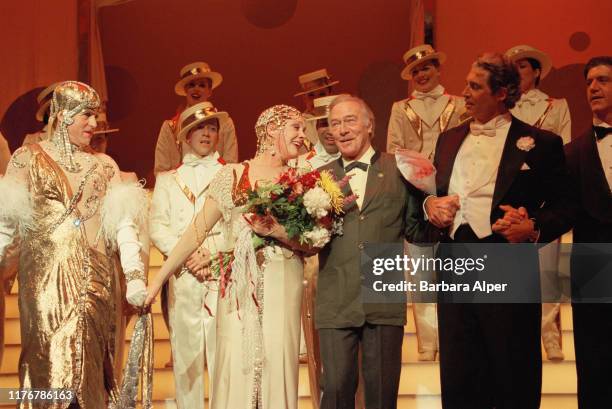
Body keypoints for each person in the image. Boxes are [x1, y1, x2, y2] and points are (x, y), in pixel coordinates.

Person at [422, 53, 574, 409]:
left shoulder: (541, 143)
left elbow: (567, 206)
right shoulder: (447, 139)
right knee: (460, 371)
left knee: (511, 369)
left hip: (506, 262)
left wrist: (533, 227)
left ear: (503, 92)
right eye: (466, 85)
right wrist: (431, 208)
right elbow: (428, 196)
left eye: (475, 87)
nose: (466, 93)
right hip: (455, 262)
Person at [145, 104, 313, 409]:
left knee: (278, 359)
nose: (303, 136)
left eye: (303, 129)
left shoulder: (302, 180)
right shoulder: (235, 174)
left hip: (284, 281)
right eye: (296, 128)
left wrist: (277, 231)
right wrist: (157, 281)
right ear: (271, 130)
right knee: (238, 360)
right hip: (239, 285)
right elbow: (195, 232)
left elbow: (311, 243)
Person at [0, 81, 149, 408]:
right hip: (44, 283)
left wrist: (135, 274)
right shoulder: (27, 159)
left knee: (91, 365)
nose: (95, 125)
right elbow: (7, 223)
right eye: (87, 116)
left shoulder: (104, 166)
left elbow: (122, 224)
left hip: (95, 281)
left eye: (96, 116)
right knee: (47, 363)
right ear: (63, 115)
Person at [316, 94, 426, 409]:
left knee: (381, 394)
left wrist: (436, 209)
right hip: (336, 298)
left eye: (350, 120)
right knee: (336, 390)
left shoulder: (398, 168)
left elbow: (416, 231)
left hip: (383, 297)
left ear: (369, 126)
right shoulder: (320, 178)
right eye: (335, 123)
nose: (342, 129)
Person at [387, 44, 466, 361]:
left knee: (456, 265)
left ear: (438, 69)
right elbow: (394, 148)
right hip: (415, 191)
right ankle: (428, 342)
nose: (422, 74)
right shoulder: (400, 108)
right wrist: (417, 177)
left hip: (453, 191)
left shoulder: (459, 103)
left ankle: (455, 336)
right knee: (420, 268)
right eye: (416, 71)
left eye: (427, 68)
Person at [150, 101, 228, 409]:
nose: (206, 134)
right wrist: (186, 256)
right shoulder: (168, 180)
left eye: (212, 128)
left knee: (224, 354)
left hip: (221, 271)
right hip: (184, 277)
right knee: (186, 359)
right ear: (185, 136)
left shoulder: (230, 174)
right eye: (199, 128)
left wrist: (212, 252)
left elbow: (236, 223)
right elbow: (158, 225)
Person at [506, 45, 573, 360]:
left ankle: (549, 334)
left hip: (544, 190)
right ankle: (516, 332)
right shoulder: (503, 106)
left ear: (535, 71)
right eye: (513, 66)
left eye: (522, 66)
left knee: (547, 266)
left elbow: (566, 148)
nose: (518, 71)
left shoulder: (556, 105)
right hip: (510, 192)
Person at [565, 55, 612, 409]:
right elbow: (561, 211)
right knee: (595, 366)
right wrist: (531, 228)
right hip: (593, 267)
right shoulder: (573, 153)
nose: (593, 87)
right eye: (589, 82)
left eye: (603, 80)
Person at [154, 61, 238, 175]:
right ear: (185, 90)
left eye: (202, 85)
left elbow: (231, 166)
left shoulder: (225, 124)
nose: (196, 89)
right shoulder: (170, 127)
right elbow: (161, 171)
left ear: (210, 91)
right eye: (191, 85)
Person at [294, 69, 339, 148]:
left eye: (322, 94)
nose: (316, 99)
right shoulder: (298, 125)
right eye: (311, 95)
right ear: (304, 98)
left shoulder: (341, 117)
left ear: (330, 94)